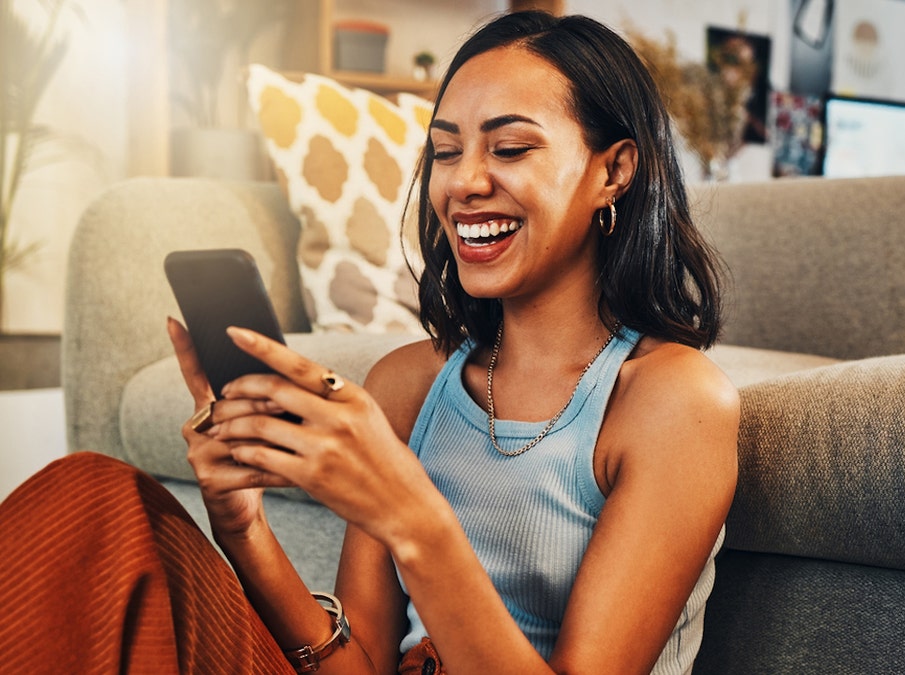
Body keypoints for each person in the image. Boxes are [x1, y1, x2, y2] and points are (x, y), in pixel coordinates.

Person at [0, 10, 738, 674]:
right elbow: (353, 666)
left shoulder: (671, 402)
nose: (465, 183)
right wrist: (243, 529)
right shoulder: (411, 384)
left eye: (510, 148)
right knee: (97, 497)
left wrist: (409, 512)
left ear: (614, 169)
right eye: (446, 153)